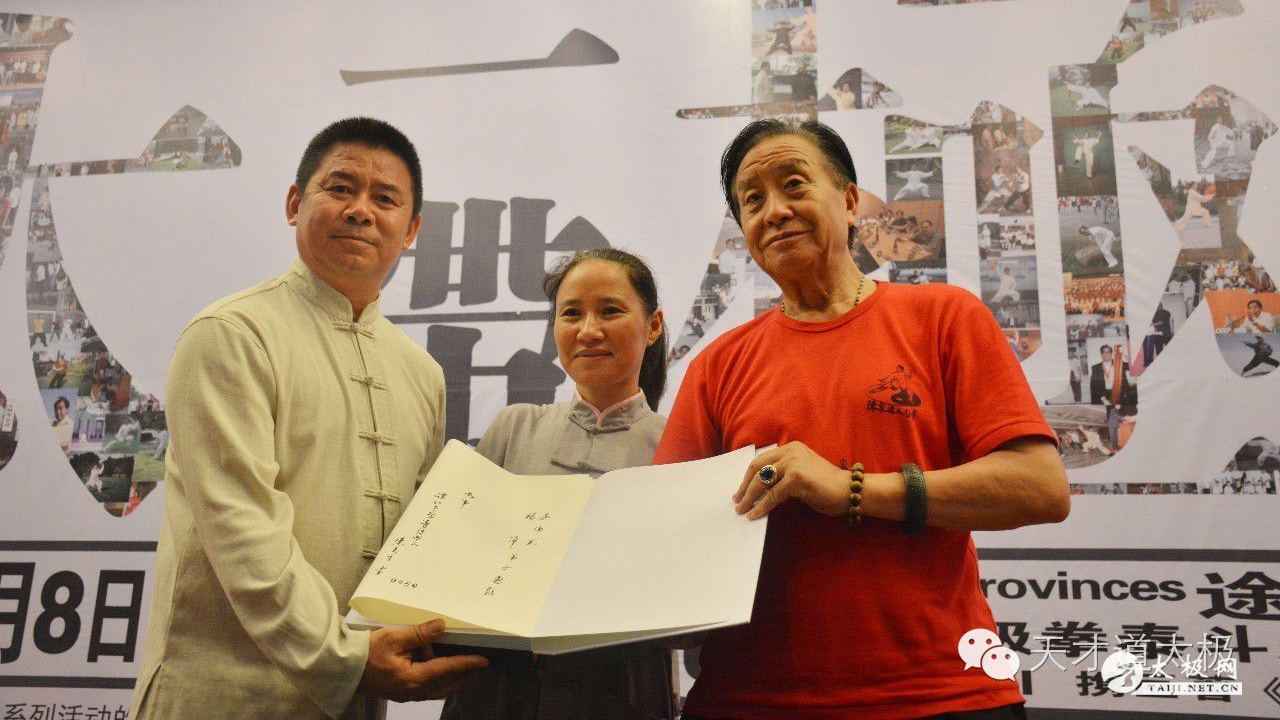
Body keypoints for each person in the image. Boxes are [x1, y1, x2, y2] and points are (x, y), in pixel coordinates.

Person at [654, 119, 1068, 718]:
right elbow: (668, 541)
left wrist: (852, 490)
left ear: (850, 202)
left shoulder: (944, 317)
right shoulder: (716, 366)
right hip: (748, 701)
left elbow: (1041, 488)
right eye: (752, 200)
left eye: (794, 185)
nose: (774, 211)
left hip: (940, 697)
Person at [130, 118, 487, 719]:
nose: (361, 211)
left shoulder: (421, 373)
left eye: (385, 199)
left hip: (354, 702)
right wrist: (346, 659)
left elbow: (420, 540)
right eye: (340, 188)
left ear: (411, 231)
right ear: (295, 203)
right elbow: (243, 528)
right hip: (221, 698)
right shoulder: (232, 334)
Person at [442, 248, 677, 719]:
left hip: (622, 688)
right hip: (494, 690)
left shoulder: (677, 445)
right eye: (571, 313)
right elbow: (455, 558)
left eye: (609, 311)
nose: (588, 330)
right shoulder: (514, 427)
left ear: (653, 326)